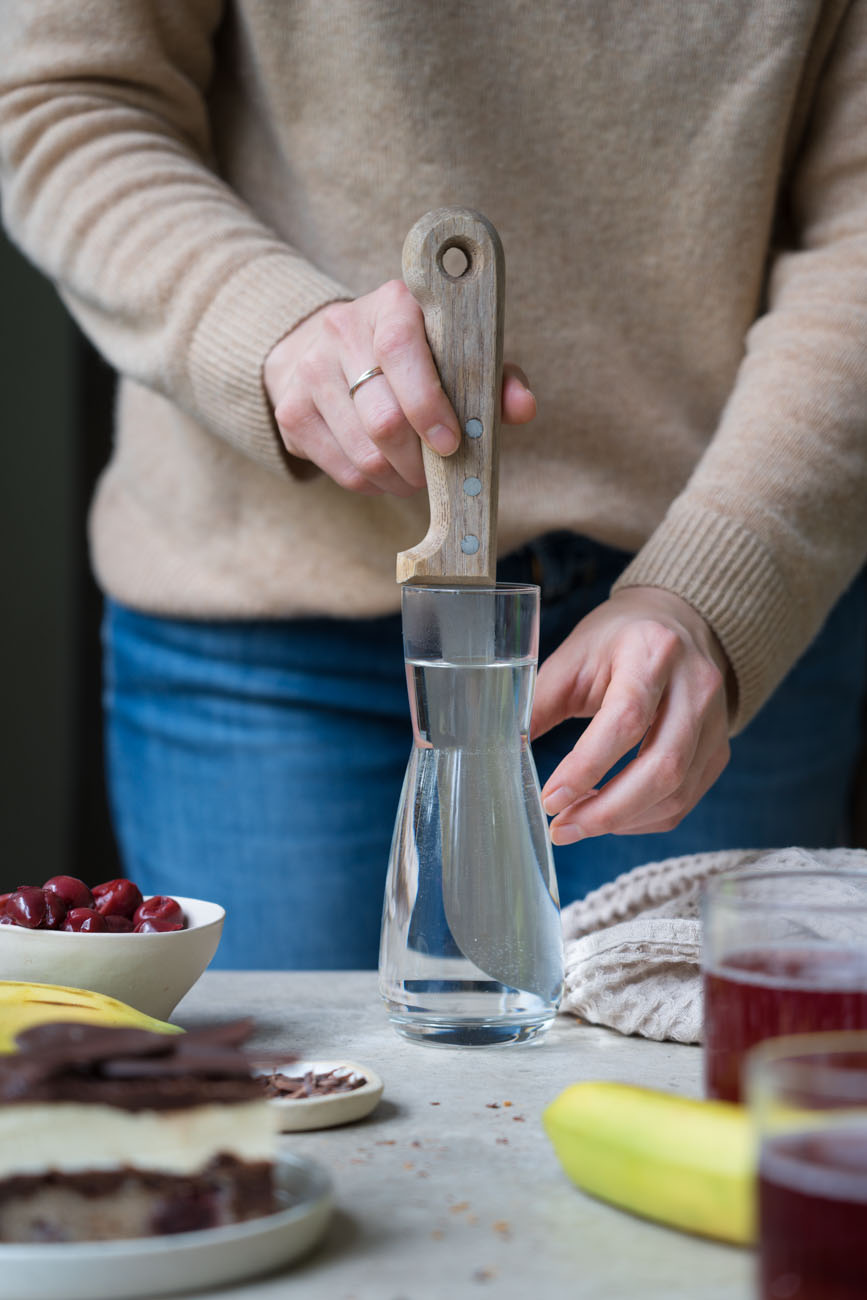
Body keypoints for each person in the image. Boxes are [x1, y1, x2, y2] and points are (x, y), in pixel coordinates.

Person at [2, 1, 866, 969]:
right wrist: (265, 328)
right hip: (266, 629)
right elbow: (63, 95)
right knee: (286, 1067)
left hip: (706, 625)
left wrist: (713, 584)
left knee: (680, 1055)